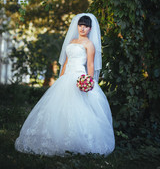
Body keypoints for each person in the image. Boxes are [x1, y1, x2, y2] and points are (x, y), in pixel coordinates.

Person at [15, 13, 115, 156]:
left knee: (79, 110)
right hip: (66, 78)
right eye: (80, 25)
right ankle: (57, 139)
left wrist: (89, 82)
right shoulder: (72, 41)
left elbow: (91, 65)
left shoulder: (89, 44)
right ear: (77, 26)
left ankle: (79, 143)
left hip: (80, 78)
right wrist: (60, 79)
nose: (82, 28)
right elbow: (66, 62)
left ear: (90, 29)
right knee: (59, 109)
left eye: (86, 26)